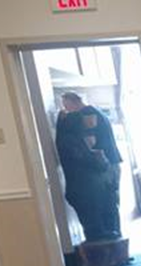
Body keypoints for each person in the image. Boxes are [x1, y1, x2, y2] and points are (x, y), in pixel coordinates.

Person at [54, 91, 122, 241]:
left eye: (66, 106)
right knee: (110, 203)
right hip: (111, 160)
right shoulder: (97, 112)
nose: (67, 110)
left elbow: (90, 141)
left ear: (73, 103)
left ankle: (109, 241)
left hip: (104, 165)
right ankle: (116, 240)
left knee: (105, 203)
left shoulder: (86, 115)